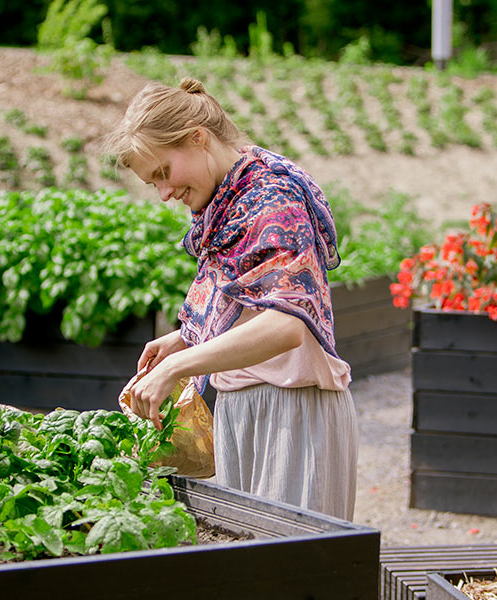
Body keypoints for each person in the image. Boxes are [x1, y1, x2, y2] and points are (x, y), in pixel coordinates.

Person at [102, 77, 357, 521]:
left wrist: (177, 366)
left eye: (163, 171)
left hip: (292, 413)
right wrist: (186, 338)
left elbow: (287, 324)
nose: (164, 193)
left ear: (197, 138)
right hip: (246, 410)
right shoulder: (230, 202)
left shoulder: (271, 196)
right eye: (152, 183)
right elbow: (254, 300)